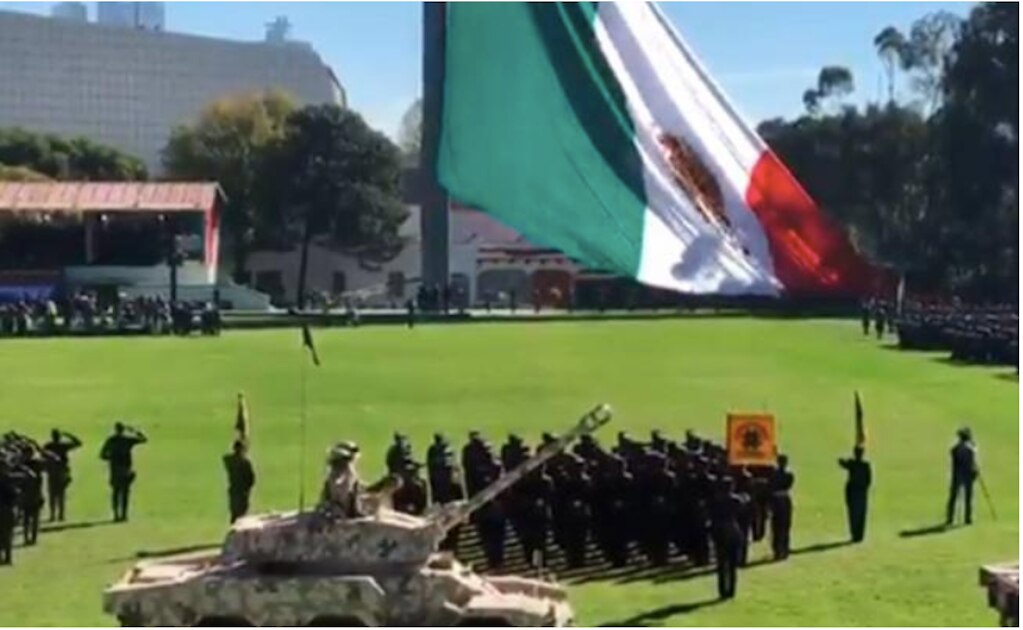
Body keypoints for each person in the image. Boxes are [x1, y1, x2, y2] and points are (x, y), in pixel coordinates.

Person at [100, 422, 147, 523]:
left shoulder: (111, 440)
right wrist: (134, 430)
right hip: (126, 469)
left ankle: (116, 515)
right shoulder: (127, 440)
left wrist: (111, 458)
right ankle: (124, 515)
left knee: (116, 493)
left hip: (115, 470)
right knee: (125, 493)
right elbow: (143, 439)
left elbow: (102, 455)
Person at [710, 476, 745, 600]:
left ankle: (722, 590)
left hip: (719, 531)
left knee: (721, 563)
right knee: (732, 564)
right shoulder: (735, 500)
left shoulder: (715, 500)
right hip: (732, 530)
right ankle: (731, 590)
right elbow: (742, 512)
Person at [43, 429, 82, 522]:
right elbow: (78, 443)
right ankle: (60, 515)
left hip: (53, 472)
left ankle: (53, 515)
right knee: (60, 494)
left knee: (53, 494)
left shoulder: (49, 446)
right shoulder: (63, 445)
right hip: (61, 471)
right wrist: (68, 434)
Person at [946, 427, 979, 526]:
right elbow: (973, 463)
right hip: (967, 476)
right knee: (968, 498)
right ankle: (967, 518)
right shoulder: (971, 449)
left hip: (957, 475)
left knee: (953, 497)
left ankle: (950, 518)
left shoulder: (955, 449)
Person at [839, 446, 871, 542]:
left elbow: (842, 463)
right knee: (861, 514)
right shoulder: (865, 465)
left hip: (853, 492)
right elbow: (869, 480)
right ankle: (860, 535)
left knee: (853, 514)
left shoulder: (852, 464)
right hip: (862, 492)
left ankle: (855, 534)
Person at [223, 440, 256, 523]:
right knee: (242, 517)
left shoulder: (229, 461)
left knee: (234, 515)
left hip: (233, 492)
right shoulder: (245, 463)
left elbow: (226, 457)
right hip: (242, 494)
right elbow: (251, 479)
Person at [769, 454, 794, 560]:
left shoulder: (773, 475)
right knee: (785, 525)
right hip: (785, 499)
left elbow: (770, 486)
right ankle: (784, 548)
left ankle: (777, 549)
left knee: (776, 526)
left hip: (775, 500)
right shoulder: (789, 475)